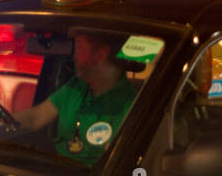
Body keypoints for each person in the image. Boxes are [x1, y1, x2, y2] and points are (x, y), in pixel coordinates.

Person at [13, 30, 137, 164]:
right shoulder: (76, 87)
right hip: (54, 169)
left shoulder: (130, 105)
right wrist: (0, 123)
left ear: (101, 55)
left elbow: (113, 165)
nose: (74, 55)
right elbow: (35, 117)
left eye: (79, 46)